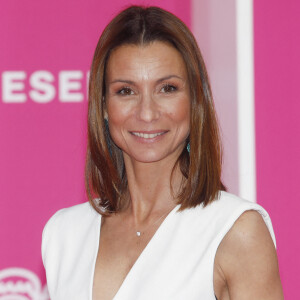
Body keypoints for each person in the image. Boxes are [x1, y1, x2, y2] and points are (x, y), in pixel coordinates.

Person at [42, 6, 283, 300]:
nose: (147, 113)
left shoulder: (236, 231)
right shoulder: (64, 234)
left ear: (195, 100)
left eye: (167, 88)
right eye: (126, 91)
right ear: (104, 106)